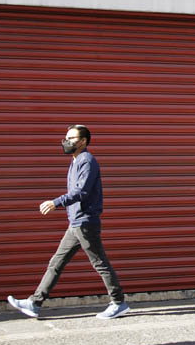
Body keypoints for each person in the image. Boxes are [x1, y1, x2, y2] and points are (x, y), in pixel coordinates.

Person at [7, 125, 130, 319]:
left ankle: (118, 302)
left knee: (100, 263)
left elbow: (81, 191)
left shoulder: (87, 161)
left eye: (71, 138)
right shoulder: (76, 161)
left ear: (83, 141)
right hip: (76, 223)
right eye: (66, 138)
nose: (66, 141)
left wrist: (56, 203)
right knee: (56, 262)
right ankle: (34, 303)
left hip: (85, 222)